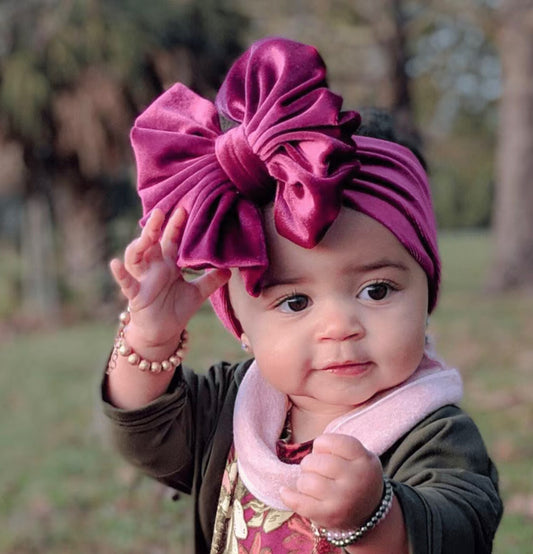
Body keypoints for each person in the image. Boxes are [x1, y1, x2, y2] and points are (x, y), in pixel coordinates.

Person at [101, 38, 502, 553]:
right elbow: (145, 435)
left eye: (376, 290)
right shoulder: (233, 408)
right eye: (294, 302)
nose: (340, 325)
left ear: (427, 292)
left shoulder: (432, 432)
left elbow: (461, 527)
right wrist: (150, 339)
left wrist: (376, 516)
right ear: (242, 326)